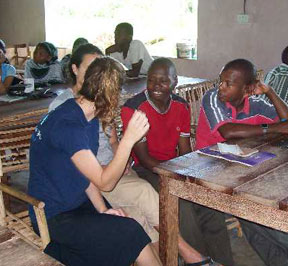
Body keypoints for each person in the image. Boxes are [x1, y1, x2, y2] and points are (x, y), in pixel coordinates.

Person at [28, 56, 161, 266]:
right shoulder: (68, 125)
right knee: (128, 232)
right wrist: (128, 141)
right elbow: (104, 182)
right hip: (53, 215)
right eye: (118, 93)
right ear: (110, 95)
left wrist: (102, 209)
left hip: (77, 203)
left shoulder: (86, 115)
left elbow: (86, 175)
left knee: (128, 227)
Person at [121, 57, 234, 265]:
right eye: (152, 80)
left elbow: (184, 149)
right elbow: (145, 159)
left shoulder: (181, 106)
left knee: (208, 204)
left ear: (174, 82)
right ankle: (199, 261)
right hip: (146, 170)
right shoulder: (134, 108)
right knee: (184, 207)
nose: (156, 86)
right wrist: (176, 179)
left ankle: (223, 261)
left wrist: (190, 175)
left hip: (174, 166)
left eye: (163, 81)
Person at [195, 58, 288, 266]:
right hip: (209, 167)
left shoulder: (256, 101)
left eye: (228, 84)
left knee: (260, 211)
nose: (221, 87)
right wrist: (271, 129)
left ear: (246, 89)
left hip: (246, 166)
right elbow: (229, 131)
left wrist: (270, 93)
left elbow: (286, 120)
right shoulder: (213, 97)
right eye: (221, 81)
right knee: (256, 213)